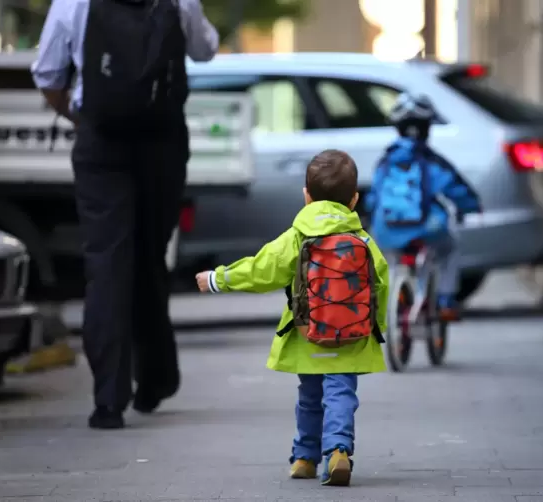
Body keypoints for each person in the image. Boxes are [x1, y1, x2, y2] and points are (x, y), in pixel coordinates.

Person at [31, 0, 219, 430]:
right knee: (150, 257)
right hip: (162, 141)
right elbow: (205, 49)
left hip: (101, 141)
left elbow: (47, 73)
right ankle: (154, 379)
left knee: (107, 263)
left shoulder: (74, 1)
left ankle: (108, 400)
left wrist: (80, 117)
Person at [195, 150, 389, 487]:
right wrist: (374, 328)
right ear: (354, 200)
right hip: (351, 335)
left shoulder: (296, 237)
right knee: (341, 394)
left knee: (310, 397)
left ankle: (304, 457)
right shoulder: (364, 241)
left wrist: (217, 279)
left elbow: (261, 270)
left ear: (306, 195)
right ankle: (339, 450)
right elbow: (380, 283)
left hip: (307, 334)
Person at [365, 93, 481, 321]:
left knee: (392, 257)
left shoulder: (385, 161)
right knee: (449, 249)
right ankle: (446, 301)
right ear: (427, 127)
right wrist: (471, 208)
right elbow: (455, 188)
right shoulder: (430, 160)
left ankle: (395, 301)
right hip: (426, 227)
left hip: (386, 229)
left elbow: (373, 197)